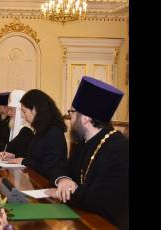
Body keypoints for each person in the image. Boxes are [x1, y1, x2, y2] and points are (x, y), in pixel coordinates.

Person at [47, 76, 128, 229]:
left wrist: (71, 190)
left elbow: (100, 201)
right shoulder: (82, 142)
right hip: (83, 217)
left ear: (85, 119)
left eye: (72, 112)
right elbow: (59, 168)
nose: (70, 118)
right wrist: (63, 180)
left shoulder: (120, 149)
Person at [1, 89, 68, 181]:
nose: (23, 116)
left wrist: (23, 161)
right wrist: (15, 156)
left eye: (24, 112)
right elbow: (34, 159)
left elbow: (48, 168)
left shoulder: (54, 133)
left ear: (35, 109)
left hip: (46, 186)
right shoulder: (41, 130)